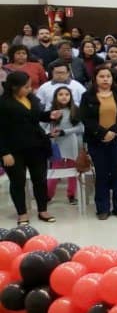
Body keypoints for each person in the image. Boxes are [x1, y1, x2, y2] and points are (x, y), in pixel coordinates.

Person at [0, 71, 56, 225]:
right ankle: (22, 213)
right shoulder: (3, 103)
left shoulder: (31, 98)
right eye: (25, 87)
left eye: (30, 86)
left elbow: (36, 117)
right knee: (17, 181)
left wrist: (50, 115)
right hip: (14, 150)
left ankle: (42, 210)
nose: (29, 89)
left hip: (37, 146)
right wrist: (4, 152)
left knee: (40, 180)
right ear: (13, 87)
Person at [80, 65, 117, 220]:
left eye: (108, 76)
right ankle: (102, 208)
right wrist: (102, 133)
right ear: (95, 78)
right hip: (96, 140)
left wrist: (113, 131)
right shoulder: (87, 96)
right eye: (101, 76)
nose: (105, 79)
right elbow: (86, 118)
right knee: (101, 174)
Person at [44, 86, 83, 205]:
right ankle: (48, 195)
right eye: (60, 94)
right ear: (55, 97)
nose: (64, 96)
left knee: (73, 171)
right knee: (55, 171)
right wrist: (49, 134)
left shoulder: (75, 110)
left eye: (67, 94)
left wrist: (64, 132)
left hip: (72, 144)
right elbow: (43, 127)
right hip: (56, 145)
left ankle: (71, 195)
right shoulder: (50, 112)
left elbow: (81, 127)